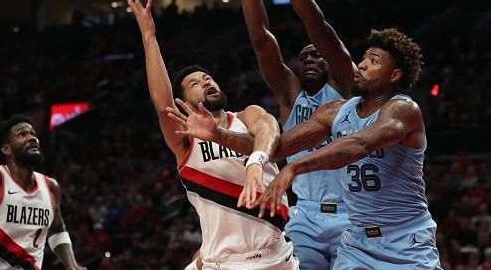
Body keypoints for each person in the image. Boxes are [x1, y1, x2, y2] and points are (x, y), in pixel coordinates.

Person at [174, 28, 442, 269]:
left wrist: (296, 166)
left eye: (373, 62)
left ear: (394, 75)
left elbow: (359, 144)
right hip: (357, 242)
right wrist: (218, 134)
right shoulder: (336, 111)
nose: (361, 65)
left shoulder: (404, 110)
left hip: (406, 239)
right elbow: (277, 148)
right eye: (364, 58)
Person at [124, 0, 298, 270]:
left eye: (208, 78)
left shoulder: (247, 115)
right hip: (222, 263)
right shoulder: (185, 140)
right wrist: (148, 35)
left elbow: (270, 130)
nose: (206, 83)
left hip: (274, 258)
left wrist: (255, 162)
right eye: (195, 84)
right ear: (186, 103)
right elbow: (162, 103)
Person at [238, 0, 354, 269]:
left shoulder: (347, 87)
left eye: (318, 54)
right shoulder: (290, 95)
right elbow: (260, 37)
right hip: (304, 217)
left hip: (353, 216)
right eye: (304, 55)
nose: (311, 56)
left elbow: (318, 28)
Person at [0, 114, 85, 270]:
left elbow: (57, 229)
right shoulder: (0, 179)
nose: (32, 138)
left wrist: (71, 265)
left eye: (33, 134)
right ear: (6, 149)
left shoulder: (51, 187)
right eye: (22, 134)